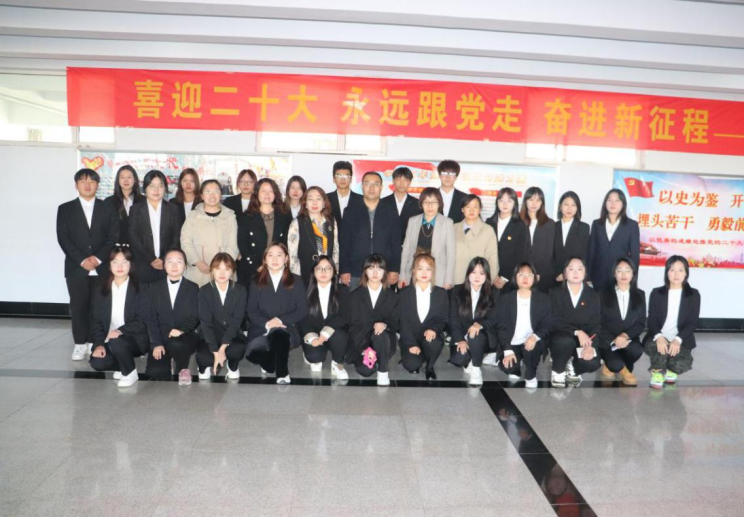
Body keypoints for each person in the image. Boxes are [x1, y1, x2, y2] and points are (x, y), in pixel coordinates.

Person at [56, 168, 119, 361]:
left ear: (97, 185)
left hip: (101, 266)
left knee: (99, 306)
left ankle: (95, 341)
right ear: (76, 185)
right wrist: (82, 260)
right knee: (78, 306)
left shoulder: (108, 207)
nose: (87, 185)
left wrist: (98, 259)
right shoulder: (65, 209)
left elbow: (113, 236)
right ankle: (80, 343)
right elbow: (63, 238)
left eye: (92, 181)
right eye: (83, 181)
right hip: (76, 267)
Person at [245, 243, 308, 384]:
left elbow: (302, 310)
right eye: (270, 255)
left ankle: (282, 372)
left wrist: (280, 321)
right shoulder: (255, 281)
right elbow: (251, 311)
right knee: (252, 354)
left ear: (286, 258)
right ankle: (271, 362)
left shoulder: (296, 280)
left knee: (279, 334)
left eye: (279, 255)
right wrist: (267, 323)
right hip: (261, 327)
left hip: (286, 327)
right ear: (265, 259)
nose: (274, 259)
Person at [88, 246, 149, 388]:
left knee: (117, 342)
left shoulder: (142, 288)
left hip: (135, 338)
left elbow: (143, 319)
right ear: (109, 266)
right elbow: (96, 321)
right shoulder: (101, 290)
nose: (120, 266)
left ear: (131, 265)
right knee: (97, 362)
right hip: (110, 339)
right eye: (115, 262)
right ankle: (123, 365)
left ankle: (130, 372)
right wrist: (98, 344)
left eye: (124, 262)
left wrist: (120, 331)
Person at [143, 248, 201, 385]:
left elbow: (194, 316)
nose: (174, 265)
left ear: (185, 266)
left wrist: (181, 329)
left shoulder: (193, 287)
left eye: (179, 262)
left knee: (177, 344)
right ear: (164, 265)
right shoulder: (153, 287)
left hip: (185, 336)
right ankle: (168, 358)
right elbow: (150, 318)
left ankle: (182, 368)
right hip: (161, 337)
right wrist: (157, 343)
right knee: (156, 372)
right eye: (170, 261)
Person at [643, 256, 701, 389]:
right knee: (660, 352)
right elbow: (652, 320)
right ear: (667, 272)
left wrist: (678, 340)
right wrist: (659, 337)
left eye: (680, 270)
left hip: (681, 339)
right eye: (672, 270)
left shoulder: (693, 295)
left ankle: (670, 368)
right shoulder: (656, 293)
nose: (676, 274)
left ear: (686, 273)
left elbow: (692, 323)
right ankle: (657, 372)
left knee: (682, 364)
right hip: (658, 337)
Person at [339, 171, 401, 290]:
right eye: (367, 184)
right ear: (362, 186)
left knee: (381, 302)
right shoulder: (350, 211)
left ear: (381, 187)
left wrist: (394, 269)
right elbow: (344, 243)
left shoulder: (391, 211)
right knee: (355, 302)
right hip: (356, 271)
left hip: (383, 270)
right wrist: (344, 269)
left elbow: (396, 244)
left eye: (376, 184)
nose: (371, 188)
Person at [346, 254, 399, 386]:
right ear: (365, 271)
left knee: (380, 334)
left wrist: (384, 324)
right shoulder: (355, 296)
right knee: (366, 371)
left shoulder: (393, 297)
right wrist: (364, 349)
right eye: (371, 268)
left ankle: (383, 371)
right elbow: (353, 326)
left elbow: (395, 322)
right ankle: (375, 359)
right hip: (361, 342)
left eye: (379, 269)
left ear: (384, 272)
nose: (375, 273)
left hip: (383, 340)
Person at [548, 257, 601, 388]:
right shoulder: (554, 292)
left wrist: (591, 345)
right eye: (571, 269)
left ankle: (573, 366)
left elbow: (596, 323)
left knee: (592, 363)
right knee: (565, 341)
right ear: (565, 273)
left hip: (584, 340)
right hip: (561, 336)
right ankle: (558, 370)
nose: (576, 273)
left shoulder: (594, 295)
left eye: (580, 269)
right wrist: (577, 332)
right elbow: (554, 319)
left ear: (585, 272)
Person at [497, 262, 552, 388]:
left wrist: (535, 336)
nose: (525, 278)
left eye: (529, 275)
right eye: (521, 275)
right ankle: (517, 366)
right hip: (513, 341)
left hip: (532, 341)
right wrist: (507, 350)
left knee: (531, 350)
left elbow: (547, 323)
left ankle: (531, 374)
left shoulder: (543, 298)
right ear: (515, 277)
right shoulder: (506, 299)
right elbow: (501, 326)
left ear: (535, 278)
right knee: (508, 367)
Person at [448, 257, 500, 386]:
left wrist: (479, 324)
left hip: (484, 336)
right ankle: (470, 358)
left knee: (476, 337)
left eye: (482, 273)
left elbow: (494, 318)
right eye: (474, 272)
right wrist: (460, 339)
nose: (477, 276)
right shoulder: (457, 291)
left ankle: (476, 370)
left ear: (487, 276)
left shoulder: (494, 292)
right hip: (463, 335)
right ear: (468, 273)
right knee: (458, 359)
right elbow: (453, 318)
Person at [195, 253, 247, 380]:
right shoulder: (204, 291)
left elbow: (236, 321)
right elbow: (206, 323)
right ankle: (204, 366)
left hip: (231, 334)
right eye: (218, 268)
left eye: (227, 269)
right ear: (212, 271)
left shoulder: (240, 290)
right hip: (210, 335)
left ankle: (233, 365)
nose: (222, 273)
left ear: (232, 271)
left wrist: (223, 348)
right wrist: (215, 352)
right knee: (203, 357)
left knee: (238, 349)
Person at [297, 256, 349, 379]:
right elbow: (302, 316)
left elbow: (345, 315)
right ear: (313, 272)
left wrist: (326, 332)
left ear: (334, 271)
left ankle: (337, 363)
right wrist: (311, 337)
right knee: (315, 357)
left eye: (328, 268)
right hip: (313, 331)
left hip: (334, 331)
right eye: (319, 268)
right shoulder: (304, 290)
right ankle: (311, 353)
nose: (323, 272)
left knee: (340, 336)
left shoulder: (342, 290)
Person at [399, 254, 449, 380]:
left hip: (431, 337)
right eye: (420, 268)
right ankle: (416, 356)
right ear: (413, 271)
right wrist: (411, 344)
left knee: (433, 343)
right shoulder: (404, 294)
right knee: (411, 365)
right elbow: (402, 322)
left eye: (428, 269)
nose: (424, 273)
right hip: (411, 338)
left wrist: (434, 329)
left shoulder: (441, 293)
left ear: (433, 272)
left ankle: (429, 366)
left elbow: (443, 318)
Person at [180, 179, 239, 287]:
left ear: (221, 194)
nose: (212, 195)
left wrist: (221, 266)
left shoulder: (230, 217)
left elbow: (233, 245)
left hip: (224, 272)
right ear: (202, 195)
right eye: (207, 191)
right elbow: (185, 242)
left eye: (216, 191)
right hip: (198, 272)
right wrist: (197, 262)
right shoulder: (193, 216)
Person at [127, 170, 181, 284]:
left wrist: (164, 259)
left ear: (165, 188)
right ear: (145, 188)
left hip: (167, 265)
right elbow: (133, 237)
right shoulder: (135, 209)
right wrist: (150, 259)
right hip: (142, 265)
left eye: (160, 186)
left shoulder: (173, 209)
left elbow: (176, 237)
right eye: (151, 186)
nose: (156, 190)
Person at [598, 257, 646, 386]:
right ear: (614, 274)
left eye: (627, 270)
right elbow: (597, 322)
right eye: (619, 270)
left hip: (628, 339)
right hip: (607, 341)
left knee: (636, 350)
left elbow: (641, 323)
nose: (624, 275)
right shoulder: (602, 294)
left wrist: (625, 335)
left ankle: (618, 366)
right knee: (615, 365)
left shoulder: (640, 294)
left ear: (633, 273)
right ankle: (622, 369)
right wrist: (614, 340)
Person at [237, 178, 292, 286]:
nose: (267, 194)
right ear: (257, 193)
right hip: (251, 269)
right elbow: (242, 243)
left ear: (275, 194)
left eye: (271, 191)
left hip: (277, 267)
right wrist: (258, 266)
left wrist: (278, 264)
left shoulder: (284, 216)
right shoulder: (246, 216)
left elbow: (286, 243)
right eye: (263, 191)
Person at [398, 188, 455, 289]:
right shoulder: (412, 221)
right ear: (421, 204)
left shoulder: (447, 223)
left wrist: (448, 280)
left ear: (439, 204)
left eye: (434, 202)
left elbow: (451, 253)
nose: (430, 206)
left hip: (438, 275)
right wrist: (402, 274)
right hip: (414, 273)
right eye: (426, 202)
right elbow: (406, 249)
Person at [587, 188, 640, 291]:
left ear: (623, 204)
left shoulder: (631, 225)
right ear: (605, 203)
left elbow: (635, 256)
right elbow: (591, 251)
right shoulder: (597, 224)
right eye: (609, 200)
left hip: (620, 277)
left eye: (617, 200)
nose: (613, 203)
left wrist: (633, 279)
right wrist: (588, 276)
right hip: (598, 275)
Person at [288, 186, 339, 286]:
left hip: (327, 274)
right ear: (305, 203)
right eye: (310, 199)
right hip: (306, 275)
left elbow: (335, 249)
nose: (314, 203)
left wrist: (335, 272)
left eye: (318, 199)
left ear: (324, 203)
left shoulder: (331, 221)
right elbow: (292, 255)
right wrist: (297, 278)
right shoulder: (297, 223)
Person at [488, 187, 529, 293]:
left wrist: (504, 277)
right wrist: (493, 275)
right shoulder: (489, 223)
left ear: (515, 203)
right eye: (501, 200)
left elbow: (521, 255)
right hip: (488, 277)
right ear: (497, 202)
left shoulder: (520, 225)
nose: (505, 204)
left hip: (509, 279)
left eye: (509, 201)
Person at [453, 194, 499, 286]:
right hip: (455, 280)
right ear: (462, 209)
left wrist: (490, 280)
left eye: (475, 207)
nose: (472, 210)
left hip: (478, 282)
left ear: (480, 209)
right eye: (468, 206)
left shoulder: (488, 230)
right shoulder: (453, 228)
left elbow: (492, 258)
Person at [521, 186, 555, 293]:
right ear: (525, 201)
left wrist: (538, 272)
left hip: (543, 274)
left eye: (538, 200)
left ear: (542, 203)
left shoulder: (550, 224)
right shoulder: (518, 222)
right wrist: (524, 271)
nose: (534, 203)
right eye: (531, 199)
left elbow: (549, 251)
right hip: (521, 273)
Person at [553, 191, 590, 287]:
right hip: (555, 277)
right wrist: (557, 273)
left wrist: (568, 274)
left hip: (575, 277)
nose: (569, 208)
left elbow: (584, 254)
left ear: (577, 208)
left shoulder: (584, 228)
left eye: (573, 205)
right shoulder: (552, 226)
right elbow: (549, 254)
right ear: (560, 207)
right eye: (566, 204)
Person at [379, 166, 422, 244]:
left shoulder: (417, 204)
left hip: (409, 246)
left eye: (405, 180)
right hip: (387, 245)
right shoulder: (382, 203)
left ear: (410, 182)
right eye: (398, 179)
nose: (401, 183)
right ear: (393, 181)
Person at [104, 164, 142, 246]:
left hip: (139, 248)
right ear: (118, 180)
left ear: (135, 180)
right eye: (122, 177)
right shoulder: (109, 202)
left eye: (129, 177)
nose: (126, 181)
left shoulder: (144, 201)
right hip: (116, 248)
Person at [327, 160, 363, 235]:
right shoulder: (325, 199)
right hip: (332, 240)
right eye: (339, 176)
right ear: (334, 179)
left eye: (346, 176)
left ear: (351, 179)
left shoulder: (361, 200)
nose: (343, 179)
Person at [437, 159, 467, 224]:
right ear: (439, 175)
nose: (448, 177)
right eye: (444, 173)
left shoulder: (464, 198)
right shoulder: (430, 196)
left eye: (452, 174)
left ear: (456, 177)